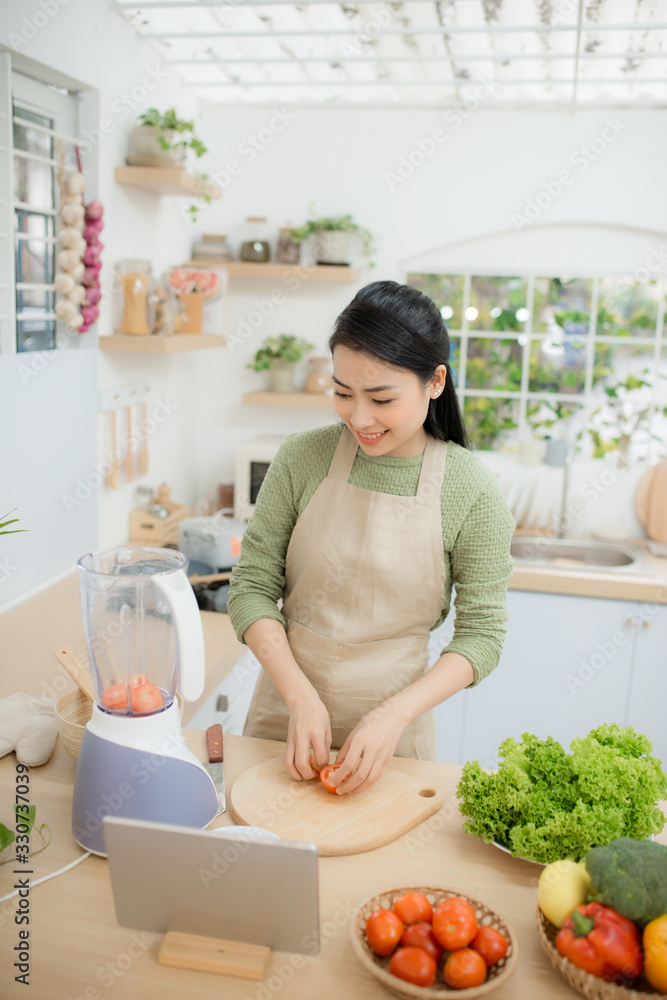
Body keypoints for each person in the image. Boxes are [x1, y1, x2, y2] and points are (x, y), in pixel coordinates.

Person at [227, 280, 514, 795]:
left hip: (395, 740)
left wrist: (394, 714)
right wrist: (299, 697)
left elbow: (482, 637)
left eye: (381, 398)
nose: (359, 418)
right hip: (282, 719)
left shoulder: (471, 490)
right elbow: (250, 588)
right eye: (342, 393)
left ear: (435, 382)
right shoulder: (301, 458)